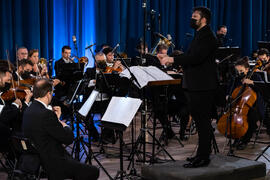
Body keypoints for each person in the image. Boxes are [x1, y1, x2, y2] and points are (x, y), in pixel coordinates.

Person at [158, 6, 218, 168]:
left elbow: (195, 58)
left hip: (203, 85)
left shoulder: (208, 37)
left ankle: (204, 157)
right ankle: (201, 154)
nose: (192, 19)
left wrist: (171, 60)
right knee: (199, 121)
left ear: (203, 19)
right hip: (196, 84)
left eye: (195, 16)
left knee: (203, 122)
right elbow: (191, 56)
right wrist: (170, 58)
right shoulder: (200, 35)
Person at [22, 78, 99, 180]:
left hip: (38, 158)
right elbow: (68, 138)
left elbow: (46, 129)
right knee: (93, 171)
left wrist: (55, 119)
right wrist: (63, 124)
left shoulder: (28, 110)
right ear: (48, 94)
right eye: (52, 93)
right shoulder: (46, 114)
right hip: (53, 161)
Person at [228, 57, 264, 150]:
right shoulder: (236, 79)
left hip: (254, 105)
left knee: (251, 118)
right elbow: (231, 89)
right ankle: (237, 137)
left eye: (241, 71)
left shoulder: (255, 76)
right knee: (233, 118)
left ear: (247, 69)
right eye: (237, 71)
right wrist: (228, 95)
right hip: (239, 105)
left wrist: (252, 82)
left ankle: (245, 140)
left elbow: (263, 89)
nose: (239, 73)